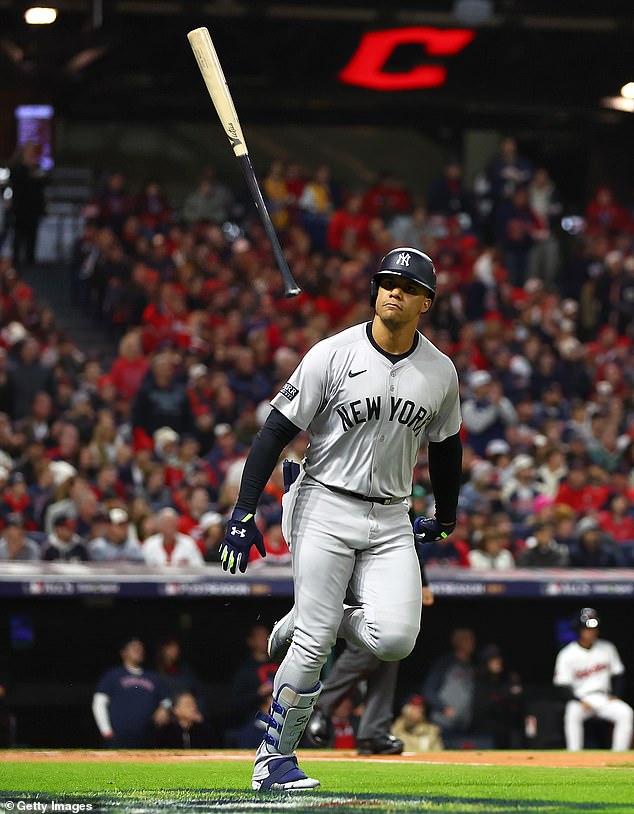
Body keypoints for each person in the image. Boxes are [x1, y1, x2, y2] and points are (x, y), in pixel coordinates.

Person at [219, 246, 462, 790]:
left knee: (396, 638)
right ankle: (273, 760)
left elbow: (447, 451)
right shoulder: (332, 353)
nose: (394, 290)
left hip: (393, 512)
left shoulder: (440, 371)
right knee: (314, 641)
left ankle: (310, 614)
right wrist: (242, 512)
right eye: (385, 282)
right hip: (324, 500)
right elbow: (274, 433)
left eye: (407, 285)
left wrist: (446, 515)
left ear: (427, 302)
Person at [304, 559, 435, 756]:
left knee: (390, 652)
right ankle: (320, 706)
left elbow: (410, 537)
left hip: (393, 575)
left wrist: (422, 580)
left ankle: (374, 732)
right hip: (360, 569)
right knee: (363, 650)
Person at [553, 608, 633, 751]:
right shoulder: (567, 654)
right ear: (579, 630)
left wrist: (615, 695)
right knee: (572, 713)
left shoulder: (607, 648)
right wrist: (578, 700)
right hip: (580, 699)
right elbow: (561, 686)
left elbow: (619, 675)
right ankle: (574, 754)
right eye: (587, 629)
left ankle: (619, 754)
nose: (592, 632)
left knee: (626, 712)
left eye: (594, 628)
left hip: (603, 697)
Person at [92, 636, 171, 748]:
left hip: (147, 739)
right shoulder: (113, 675)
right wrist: (106, 731)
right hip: (117, 739)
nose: (138, 650)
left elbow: (167, 699)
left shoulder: (153, 677)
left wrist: (164, 708)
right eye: (134, 647)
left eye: (140, 648)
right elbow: (99, 702)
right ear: (124, 653)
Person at [423, 627, 477, 748]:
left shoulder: (472, 666)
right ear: (458, 642)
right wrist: (443, 708)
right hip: (443, 725)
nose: (472, 642)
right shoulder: (446, 663)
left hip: (464, 726)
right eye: (468, 639)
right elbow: (428, 690)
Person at [471, 644, 524, 748]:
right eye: (493, 659)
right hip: (486, 734)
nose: (498, 662)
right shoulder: (480, 681)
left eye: (498, 658)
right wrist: (504, 696)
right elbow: (482, 707)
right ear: (486, 662)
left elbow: (517, 699)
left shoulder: (506, 678)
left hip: (507, 730)